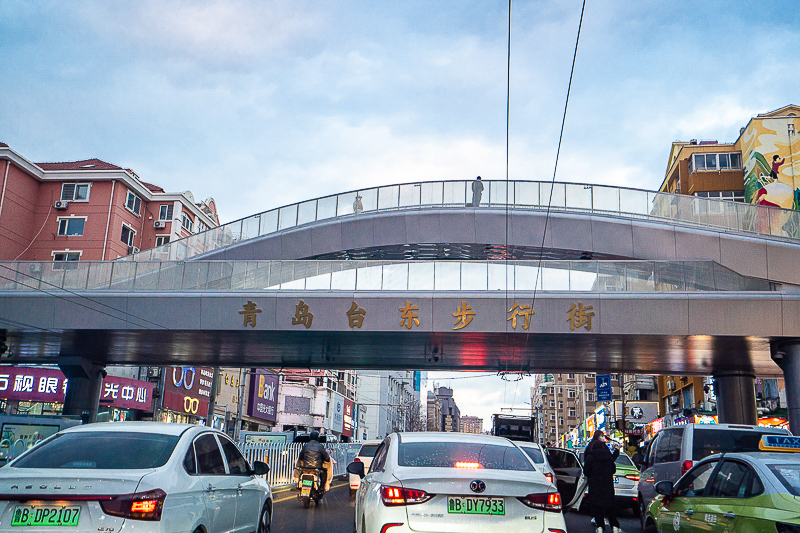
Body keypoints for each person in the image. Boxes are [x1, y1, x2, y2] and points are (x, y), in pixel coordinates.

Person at [584, 430, 621, 533]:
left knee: (597, 506)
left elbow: (586, 471)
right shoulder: (609, 458)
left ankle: (600, 527)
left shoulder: (590, 456)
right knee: (610, 506)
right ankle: (614, 526)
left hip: (595, 485)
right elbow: (613, 470)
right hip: (608, 485)